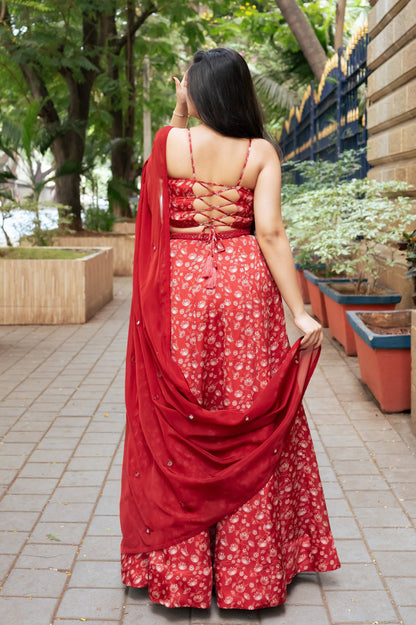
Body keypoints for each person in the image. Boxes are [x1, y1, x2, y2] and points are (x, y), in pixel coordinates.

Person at [120, 47, 340, 610]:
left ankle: (183, 572)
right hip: (246, 285)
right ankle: (250, 574)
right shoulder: (261, 151)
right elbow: (269, 233)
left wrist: (177, 112)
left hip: (183, 287)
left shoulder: (173, 142)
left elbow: (153, 193)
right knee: (249, 412)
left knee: (182, 416)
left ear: (198, 91)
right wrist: (300, 311)